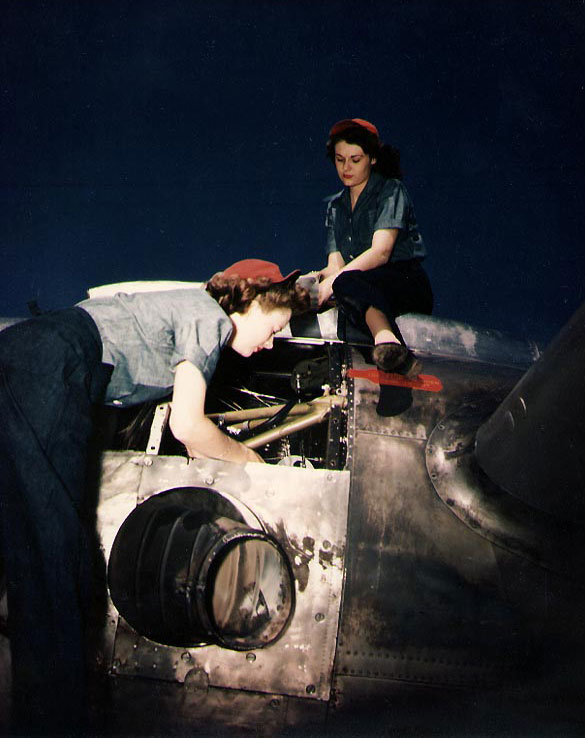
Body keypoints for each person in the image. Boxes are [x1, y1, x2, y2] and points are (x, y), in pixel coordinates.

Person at [0, 258, 309, 734]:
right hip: (56, 363)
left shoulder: (183, 310)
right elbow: (189, 426)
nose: (271, 343)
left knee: (66, 563)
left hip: (32, 357)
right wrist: (249, 462)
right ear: (250, 298)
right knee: (52, 562)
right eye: (274, 327)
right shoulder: (208, 318)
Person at [318, 118, 433, 375]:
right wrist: (313, 285)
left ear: (372, 158)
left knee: (345, 283)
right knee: (341, 285)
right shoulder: (335, 207)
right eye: (339, 159)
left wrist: (334, 281)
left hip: (404, 281)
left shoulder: (391, 190)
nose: (346, 168)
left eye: (355, 160)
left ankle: (389, 344)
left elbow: (381, 252)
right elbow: (335, 265)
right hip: (359, 285)